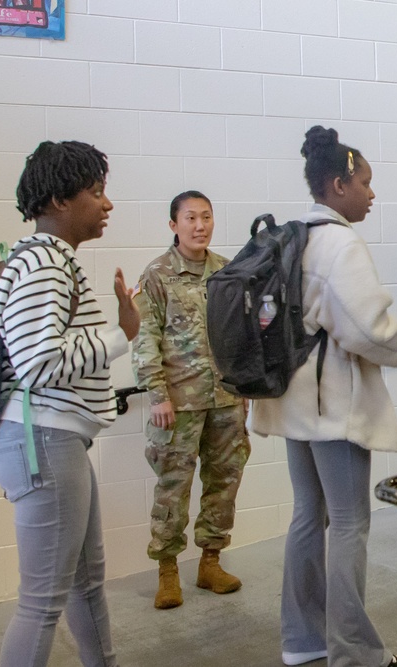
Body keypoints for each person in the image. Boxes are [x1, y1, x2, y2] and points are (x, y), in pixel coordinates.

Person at [248, 126, 397, 667]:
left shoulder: (292, 236)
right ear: (338, 184)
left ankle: (302, 642)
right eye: (365, 182)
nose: (371, 193)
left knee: (307, 515)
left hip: (289, 398)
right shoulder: (340, 241)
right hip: (331, 403)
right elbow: (366, 327)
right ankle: (356, 655)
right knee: (349, 522)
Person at [0, 140, 140, 667]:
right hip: (44, 442)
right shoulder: (45, 262)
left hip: (58, 440)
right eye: (96, 192)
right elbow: (39, 363)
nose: (107, 204)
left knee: (85, 582)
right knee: (42, 602)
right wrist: (122, 335)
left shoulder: (49, 259)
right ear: (57, 200)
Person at [131, 191, 251, 610]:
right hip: (177, 404)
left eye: (206, 217)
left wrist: (242, 388)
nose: (199, 226)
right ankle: (167, 572)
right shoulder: (157, 275)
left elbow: (239, 332)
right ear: (173, 225)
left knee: (224, 483)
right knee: (173, 489)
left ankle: (210, 563)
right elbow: (145, 338)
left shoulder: (227, 271)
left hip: (225, 399)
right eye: (190, 218)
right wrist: (157, 395)